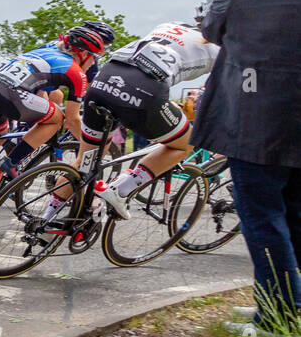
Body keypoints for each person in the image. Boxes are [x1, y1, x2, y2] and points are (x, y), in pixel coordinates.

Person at [195, 0, 301, 333]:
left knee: (262, 217)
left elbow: (211, 30)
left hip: (256, 124)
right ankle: (282, 304)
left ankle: (277, 318)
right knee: (293, 216)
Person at [67, 16, 216, 220]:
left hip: (105, 78)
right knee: (185, 144)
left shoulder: (169, 25)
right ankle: (120, 190)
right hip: (144, 90)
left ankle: (48, 222)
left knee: (85, 162)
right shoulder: (223, 49)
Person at [0, 26, 109, 180]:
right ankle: (11, 162)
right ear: (83, 53)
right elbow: (72, 119)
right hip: (7, 92)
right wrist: (88, 147)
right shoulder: (76, 72)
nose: (93, 63)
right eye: (94, 57)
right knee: (57, 118)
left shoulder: (49, 49)